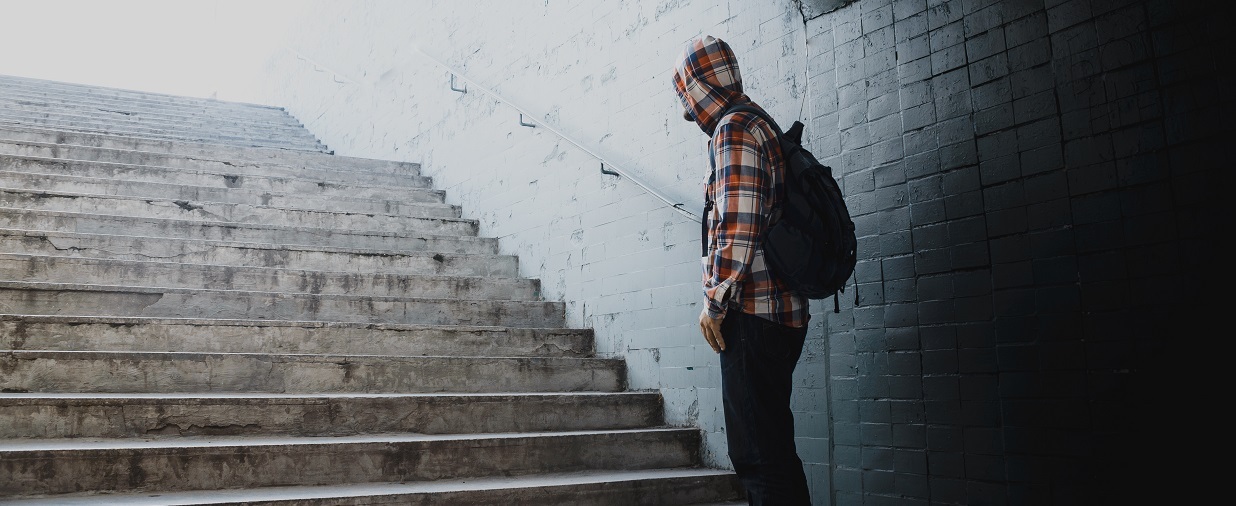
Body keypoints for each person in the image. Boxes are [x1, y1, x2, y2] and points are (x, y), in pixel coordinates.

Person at [673, 35, 812, 505]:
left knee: (757, 459)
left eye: (688, 97)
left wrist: (714, 303)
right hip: (781, 314)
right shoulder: (758, 121)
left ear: (700, 88)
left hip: (753, 316)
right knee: (775, 453)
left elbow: (738, 224)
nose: (688, 112)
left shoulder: (733, 129)